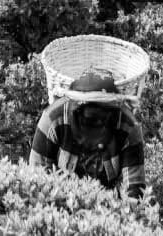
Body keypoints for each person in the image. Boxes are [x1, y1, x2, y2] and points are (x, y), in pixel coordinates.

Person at [29, 71, 147, 199]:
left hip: (108, 208)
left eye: (101, 117)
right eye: (90, 117)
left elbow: (134, 190)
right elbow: (37, 178)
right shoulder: (52, 119)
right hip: (60, 200)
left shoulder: (128, 126)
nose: (96, 122)